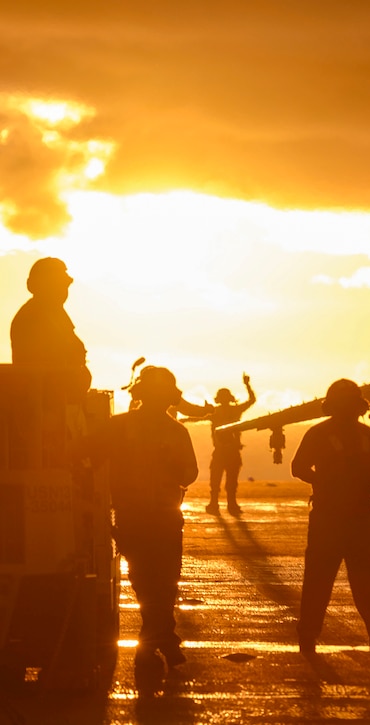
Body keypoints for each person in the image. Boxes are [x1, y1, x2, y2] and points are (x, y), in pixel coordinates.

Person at [80, 366, 199, 679]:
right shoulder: (122, 427)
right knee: (150, 583)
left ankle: (157, 642)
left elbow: (188, 473)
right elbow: (87, 453)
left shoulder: (172, 432)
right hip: (139, 516)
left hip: (161, 516)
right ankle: (160, 643)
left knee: (161, 582)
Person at [291, 378, 370, 655]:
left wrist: (331, 482)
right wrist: (325, 484)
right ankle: (312, 635)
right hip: (334, 517)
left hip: (354, 517)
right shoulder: (324, 434)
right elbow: (299, 467)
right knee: (329, 579)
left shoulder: (365, 436)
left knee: (358, 580)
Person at [10, 256, 92, 395]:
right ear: (44, 285)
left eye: (64, 285)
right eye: (59, 285)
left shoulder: (55, 313)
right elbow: (46, 361)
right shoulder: (33, 315)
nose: (64, 290)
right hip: (46, 403)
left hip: (60, 401)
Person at [183, 373, 256, 515]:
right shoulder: (234, 410)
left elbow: (196, 418)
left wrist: (184, 419)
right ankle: (229, 504)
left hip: (223, 451)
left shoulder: (216, 412)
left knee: (217, 480)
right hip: (230, 451)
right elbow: (252, 400)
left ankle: (216, 503)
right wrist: (247, 385)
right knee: (229, 481)